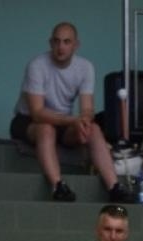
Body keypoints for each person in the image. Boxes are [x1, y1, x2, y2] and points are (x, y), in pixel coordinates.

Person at [10, 23, 132, 204]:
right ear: (50, 43)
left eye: (67, 42)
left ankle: (114, 188)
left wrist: (84, 121)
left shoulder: (85, 67)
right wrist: (74, 120)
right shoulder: (37, 65)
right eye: (57, 41)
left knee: (94, 129)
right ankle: (58, 186)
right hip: (28, 120)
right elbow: (37, 113)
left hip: (63, 122)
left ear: (76, 45)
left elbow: (87, 109)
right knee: (46, 129)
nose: (61, 47)